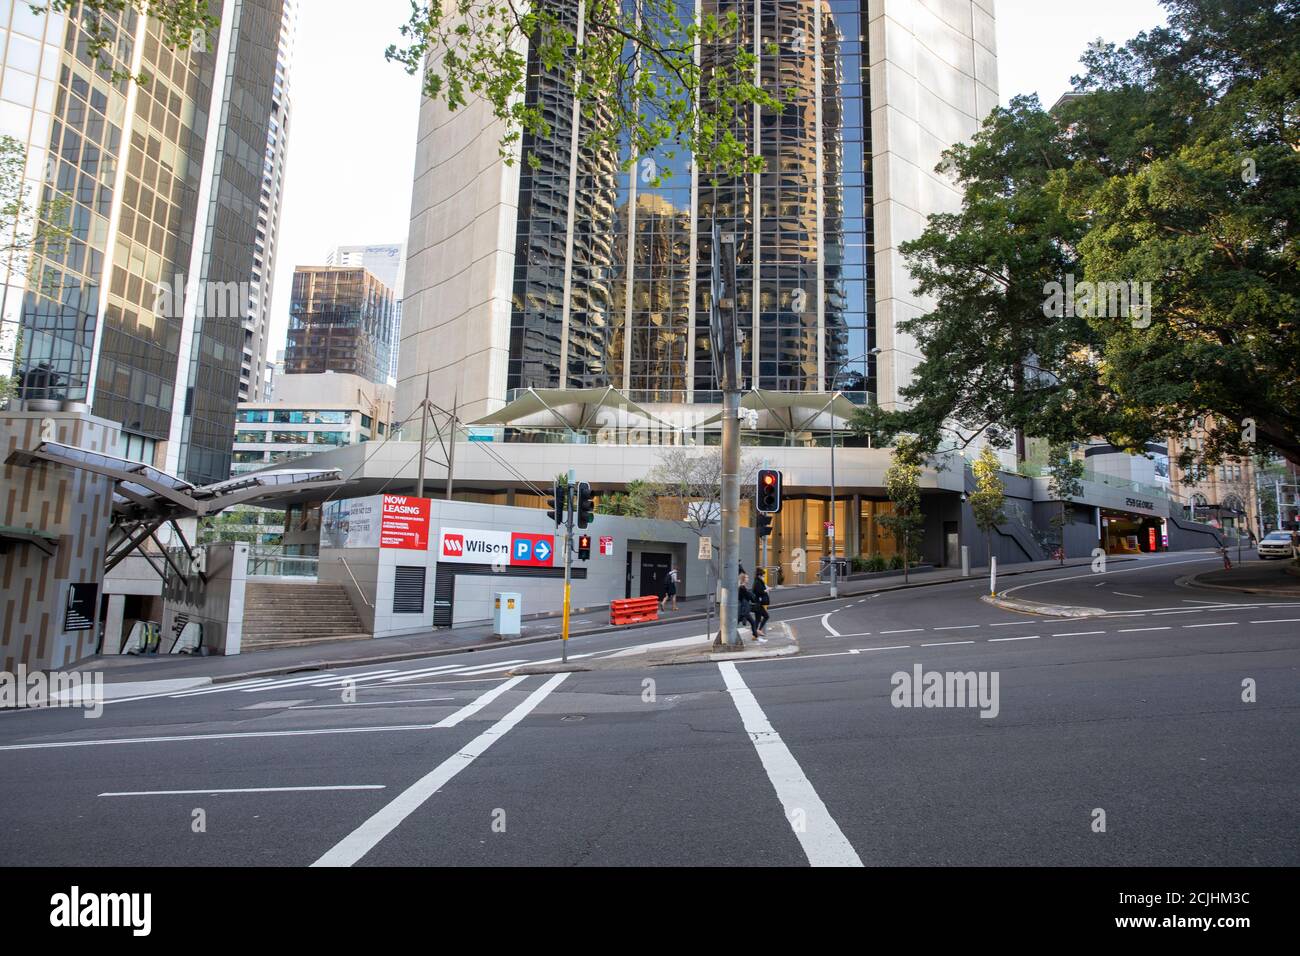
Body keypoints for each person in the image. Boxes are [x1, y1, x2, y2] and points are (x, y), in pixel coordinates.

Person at [737, 572, 764, 643]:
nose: (748, 579)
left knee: (752, 622)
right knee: (735, 623)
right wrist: (752, 595)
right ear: (743, 579)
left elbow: (750, 598)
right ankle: (729, 636)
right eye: (747, 577)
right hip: (742, 610)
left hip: (745, 610)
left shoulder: (743, 587)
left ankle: (755, 636)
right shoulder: (741, 588)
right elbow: (749, 597)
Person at [752, 570, 771, 636]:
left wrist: (766, 588)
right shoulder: (757, 583)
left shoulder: (758, 582)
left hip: (757, 603)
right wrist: (766, 590)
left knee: (758, 619)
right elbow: (759, 592)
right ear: (759, 576)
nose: (764, 577)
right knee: (766, 616)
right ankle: (758, 630)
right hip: (758, 603)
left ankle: (755, 634)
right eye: (763, 576)